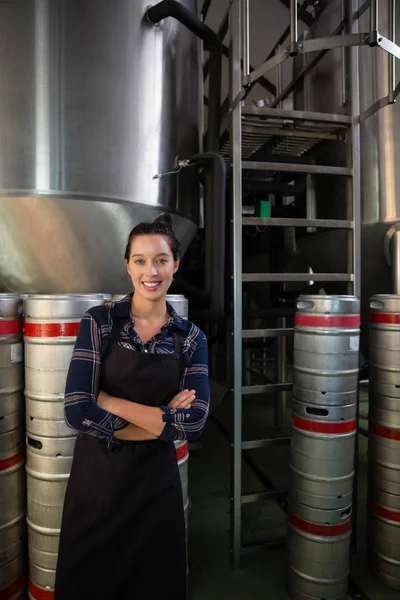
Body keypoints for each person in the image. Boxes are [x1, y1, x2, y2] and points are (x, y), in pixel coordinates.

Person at [54, 222, 209, 600]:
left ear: (176, 265)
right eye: (140, 261)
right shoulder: (100, 321)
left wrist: (107, 401)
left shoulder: (190, 338)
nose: (150, 272)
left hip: (155, 491)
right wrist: (161, 420)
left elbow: (194, 421)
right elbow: (76, 410)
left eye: (160, 260)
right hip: (97, 487)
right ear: (127, 266)